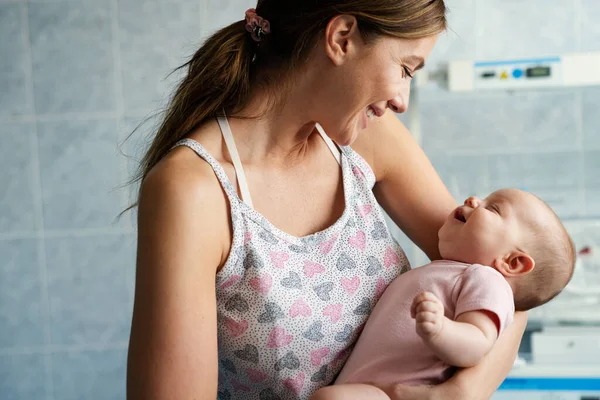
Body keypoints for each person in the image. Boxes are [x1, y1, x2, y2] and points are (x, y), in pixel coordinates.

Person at [126, 1, 528, 399]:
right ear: (341, 38)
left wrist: (459, 393)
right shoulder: (194, 190)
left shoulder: (369, 138)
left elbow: (510, 283)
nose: (402, 100)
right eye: (404, 68)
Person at [310, 189, 575, 400]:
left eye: (493, 207)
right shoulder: (452, 271)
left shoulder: (487, 281)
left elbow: (477, 343)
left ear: (512, 262)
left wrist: (440, 330)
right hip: (371, 385)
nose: (473, 199)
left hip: (398, 391)